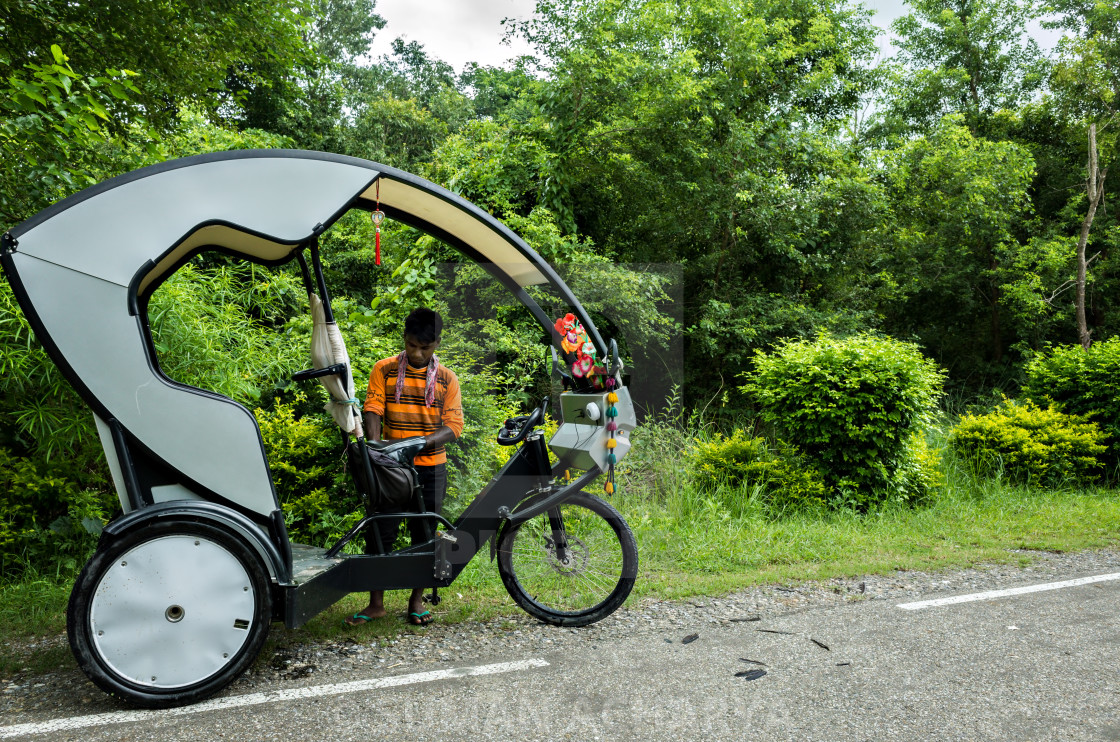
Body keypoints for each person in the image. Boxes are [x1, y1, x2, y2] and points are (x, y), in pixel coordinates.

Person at [345, 307, 463, 626]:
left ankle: (415, 601)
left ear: (437, 343)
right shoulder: (383, 370)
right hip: (390, 467)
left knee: (423, 534)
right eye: (412, 345)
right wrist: (376, 450)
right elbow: (373, 408)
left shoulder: (447, 379)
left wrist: (416, 444)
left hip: (430, 468)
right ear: (405, 339)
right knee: (381, 531)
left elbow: (453, 426)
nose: (417, 353)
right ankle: (376, 604)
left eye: (425, 347)